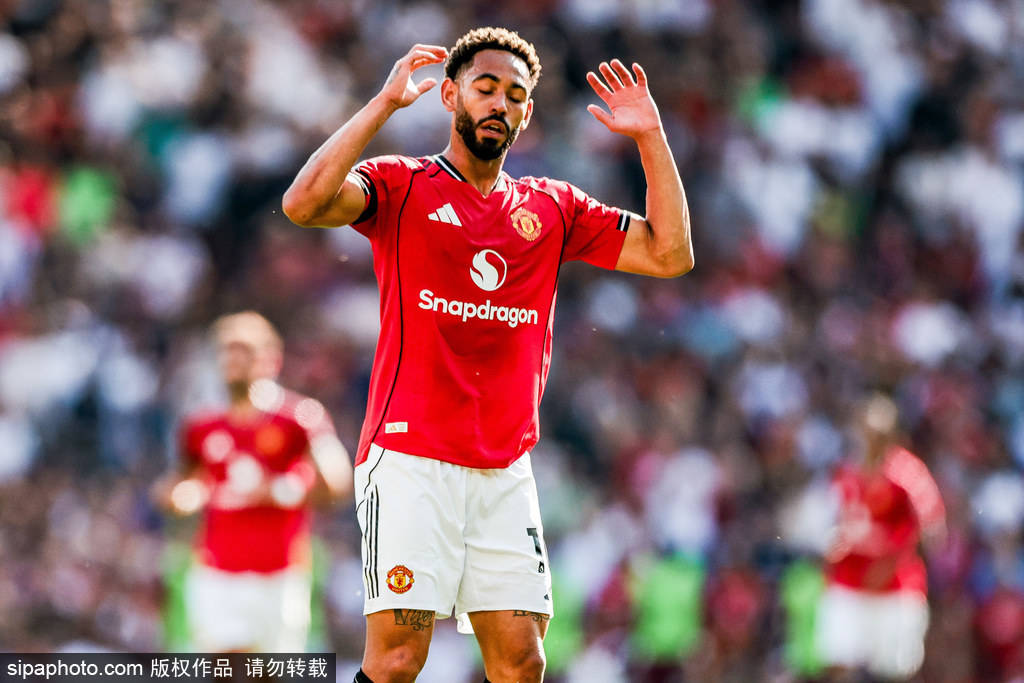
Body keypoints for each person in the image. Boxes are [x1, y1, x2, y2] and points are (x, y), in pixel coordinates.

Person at [283, 26, 692, 683]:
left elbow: (670, 255)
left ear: (527, 114)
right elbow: (303, 204)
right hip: (411, 459)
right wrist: (383, 106)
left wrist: (650, 137)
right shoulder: (402, 184)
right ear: (450, 96)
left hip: (503, 468)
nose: (501, 102)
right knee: (397, 658)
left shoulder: (551, 206)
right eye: (486, 87)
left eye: (516, 95)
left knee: (522, 660)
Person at [156, 311, 353, 652]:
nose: (232, 360)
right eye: (226, 351)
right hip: (218, 571)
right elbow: (182, 483)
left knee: (270, 671)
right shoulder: (201, 427)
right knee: (224, 667)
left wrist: (280, 490)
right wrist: (181, 496)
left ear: (271, 359)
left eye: (243, 351)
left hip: (280, 571)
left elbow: (338, 483)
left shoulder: (299, 418)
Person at [816, 394, 946, 680]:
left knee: (895, 671)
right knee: (839, 664)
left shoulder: (907, 475)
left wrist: (892, 558)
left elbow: (932, 530)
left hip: (894, 588)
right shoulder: (845, 471)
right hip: (849, 582)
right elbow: (830, 522)